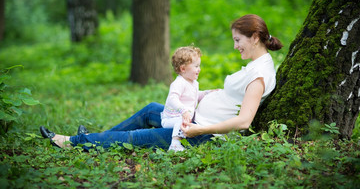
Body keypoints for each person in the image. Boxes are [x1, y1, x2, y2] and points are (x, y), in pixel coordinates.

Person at [40, 14, 283, 151]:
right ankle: (95, 138)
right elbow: (235, 97)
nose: (235, 46)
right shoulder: (256, 65)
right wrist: (210, 94)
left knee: (136, 137)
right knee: (149, 110)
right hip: (192, 118)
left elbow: (244, 121)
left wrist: (198, 130)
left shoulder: (260, 74)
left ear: (254, 37)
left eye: (237, 40)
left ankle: (72, 142)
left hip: (199, 132)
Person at [161, 46, 212, 151]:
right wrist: (183, 111)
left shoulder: (193, 83)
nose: (199, 69)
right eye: (196, 66)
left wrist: (207, 93)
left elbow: (194, 96)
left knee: (183, 121)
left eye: (199, 66)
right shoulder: (179, 83)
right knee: (181, 121)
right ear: (183, 69)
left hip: (183, 117)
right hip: (170, 119)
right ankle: (175, 144)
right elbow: (172, 98)